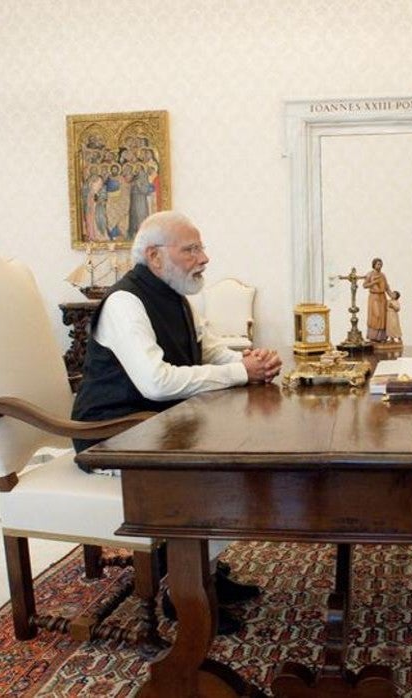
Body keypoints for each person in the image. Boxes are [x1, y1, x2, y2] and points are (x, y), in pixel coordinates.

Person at [71, 209, 283, 634]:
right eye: (191, 249)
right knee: (227, 474)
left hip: (156, 427)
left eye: (200, 247)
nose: (204, 257)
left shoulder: (176, 296)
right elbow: (156, 381)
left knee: (245, 453)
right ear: (155, 256)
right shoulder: (125, 303)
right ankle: (184, 593)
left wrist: (246, 360)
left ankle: (206, 570)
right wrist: (241, 373)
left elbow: (206, 349)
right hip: (112, 436)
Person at [363, 257, 391, 343]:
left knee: (383, 316)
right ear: (374, 265)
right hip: (374, 297)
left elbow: (387, 287)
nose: (380, 266)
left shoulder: (383, 275)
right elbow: (364, 285)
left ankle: (381, 337)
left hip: (382, 297)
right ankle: (373, 337)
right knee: (376, 316)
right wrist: (373, 283)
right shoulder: (370, 274)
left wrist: (392, 296)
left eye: (380, 264)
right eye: (378, 264)